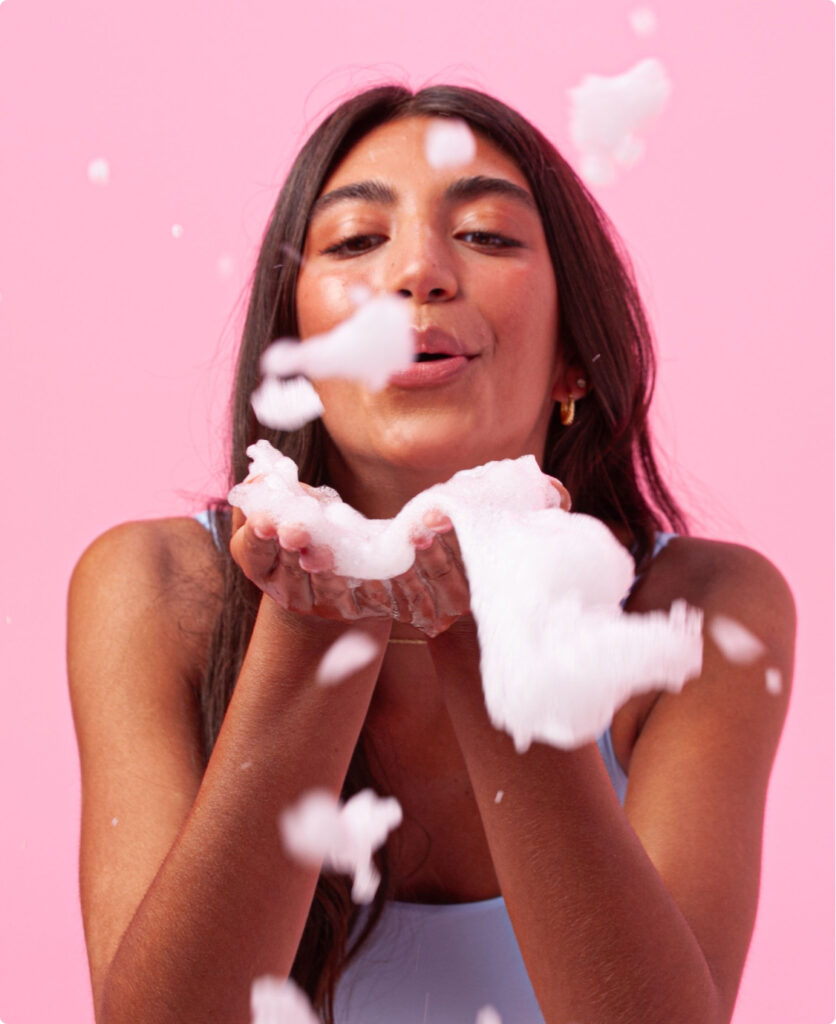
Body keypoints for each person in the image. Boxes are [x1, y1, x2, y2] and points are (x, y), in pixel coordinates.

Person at [66, 85, 796, 1024]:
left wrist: (494, 627)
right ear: (294, 352)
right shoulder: (152, 590)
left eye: (488, 235)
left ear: (576, 352)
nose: (419, 270)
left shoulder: (700, 616)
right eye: (355, 241)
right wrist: (312, 626)